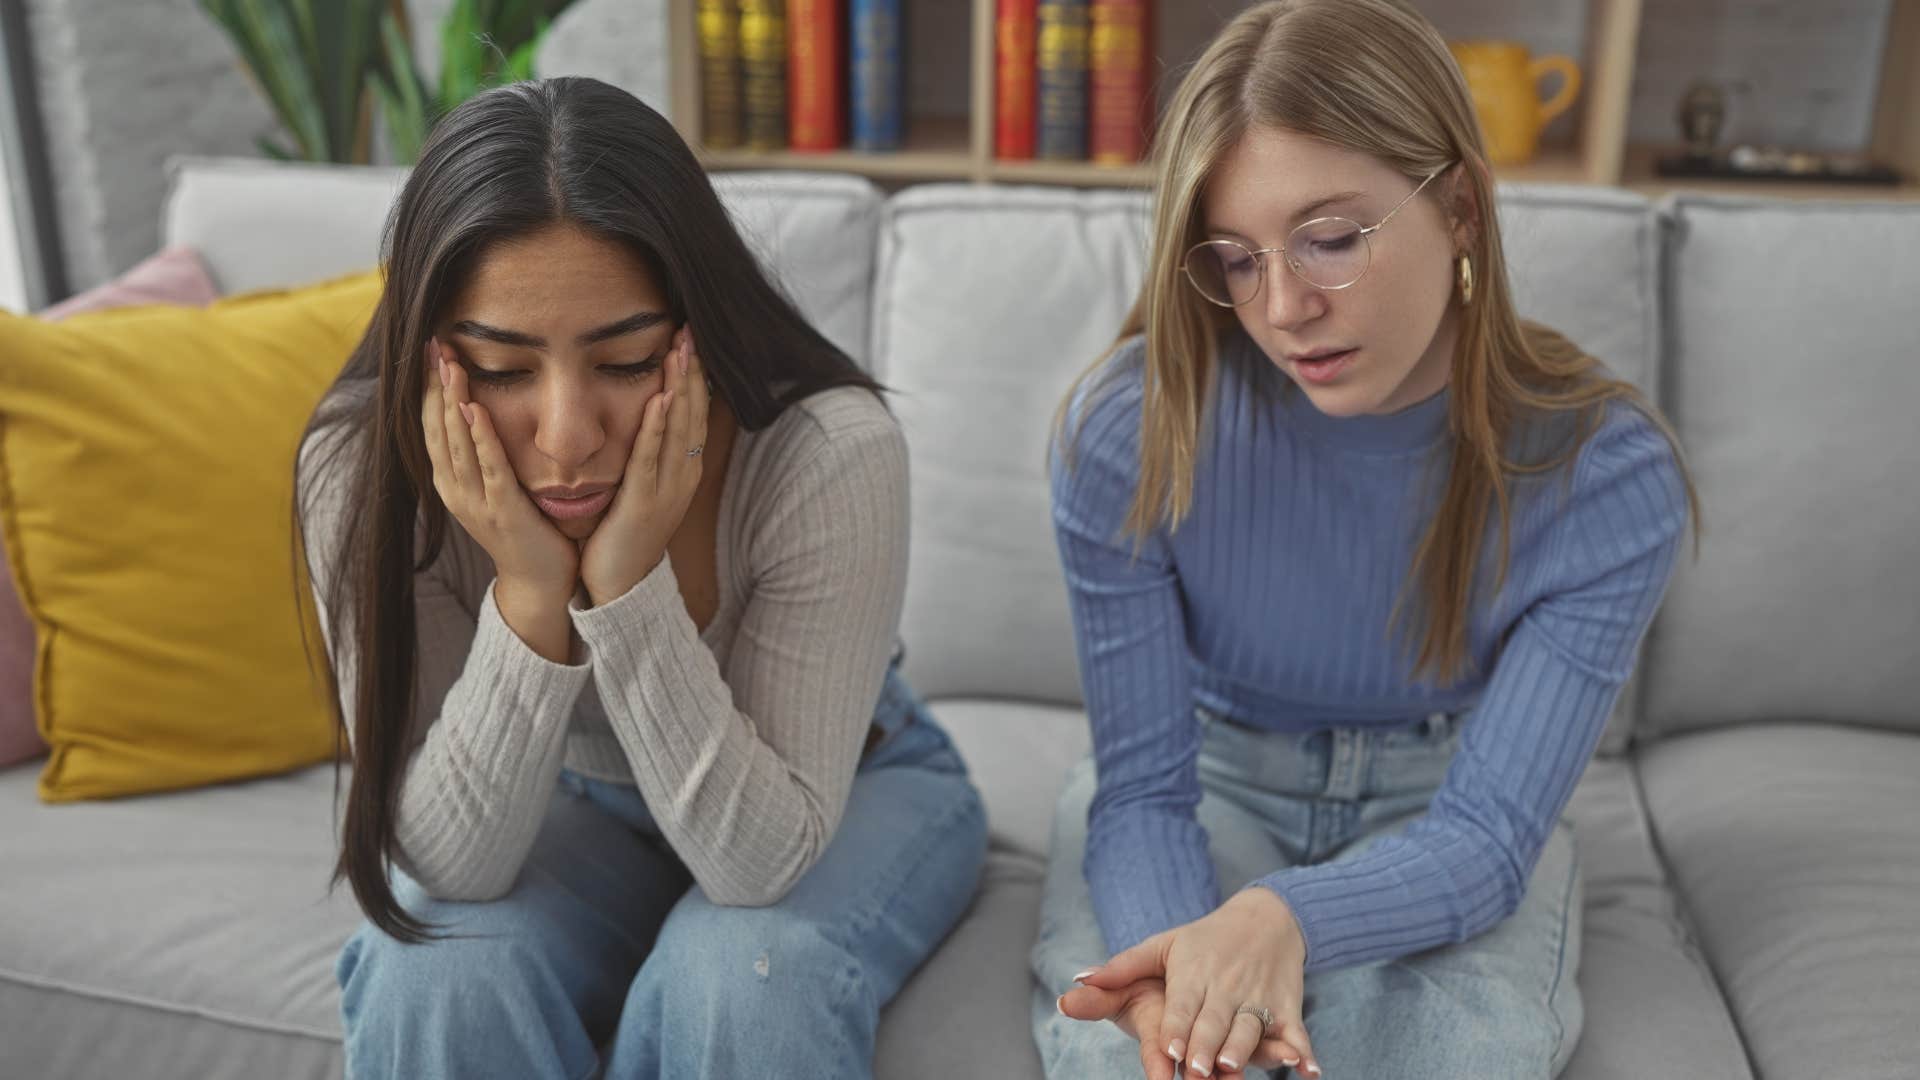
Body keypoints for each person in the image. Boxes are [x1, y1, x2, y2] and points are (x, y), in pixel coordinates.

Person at [1034, 2, 1698, 1077]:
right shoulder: (1130, 433)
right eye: (1238, 260)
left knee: (1442, 1054)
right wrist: (1176, 975)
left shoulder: (1609, 478)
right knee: (1145, 1060)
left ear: (1464, 211)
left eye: (1331, 240)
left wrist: (1277, 918)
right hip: (1212, 780)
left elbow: (1485, 837)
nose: (1285, 306)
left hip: (1442, 804)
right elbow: (1148, 795)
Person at [295, 76, 987, 1080]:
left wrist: (625, 589)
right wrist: (532, 599)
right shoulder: (357, 474)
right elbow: (449, 868)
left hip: (851, 785)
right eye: (501, 367)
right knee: (433, 975)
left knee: (743, 973)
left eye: (625, 361)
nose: (569, 438)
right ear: (432, 353)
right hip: (578, 805)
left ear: (694, 332)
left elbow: (757, 869)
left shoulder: (828, 454)